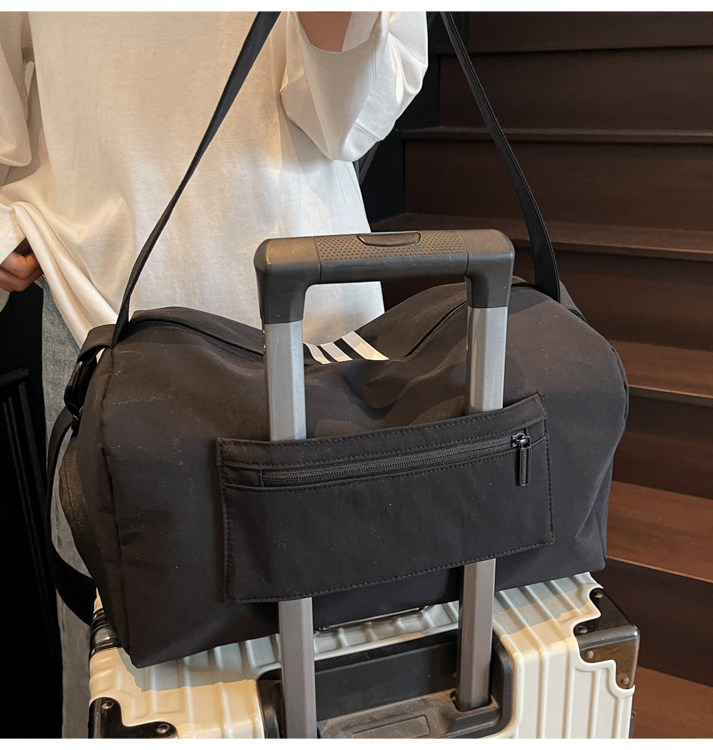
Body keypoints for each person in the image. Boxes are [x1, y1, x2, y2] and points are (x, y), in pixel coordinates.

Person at [0, 11, 428, 737]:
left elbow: (347, 119)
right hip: (101, 320)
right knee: (135, 690)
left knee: (344, 668)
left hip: (311, 331)